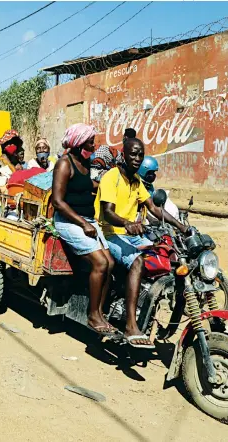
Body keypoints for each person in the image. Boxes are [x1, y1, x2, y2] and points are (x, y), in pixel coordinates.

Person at [95, 137, 188, 349]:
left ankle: (147, 303)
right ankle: (130, 324)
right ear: (124, 155)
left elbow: (155, 209)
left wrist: (180, 226)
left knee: (165, 253)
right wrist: (127, 223)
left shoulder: (136, 181)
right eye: (133, 154)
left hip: (131, 233)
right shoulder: (112, 177)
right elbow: (107, 213)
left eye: (140, 155)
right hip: (109, 233)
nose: (137, 158)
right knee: (137, 261)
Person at [52, 124, 116, 335]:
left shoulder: (85, 162)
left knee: (111, 263)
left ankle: (99, 311)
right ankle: (92, 315)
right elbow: (58, 202)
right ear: (79, 144)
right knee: (100, 262)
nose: (93, 145)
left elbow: (87, 185)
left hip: (88, 220)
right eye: (90, 141)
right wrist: (83, 223)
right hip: (68, 221)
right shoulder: (64, 164)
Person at [137, 156, 179, 221]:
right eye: (150, 173)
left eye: (153, 173)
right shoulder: (136, 185)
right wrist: (151, 219)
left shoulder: (149, 186)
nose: (153, 175)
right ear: (143, 170)